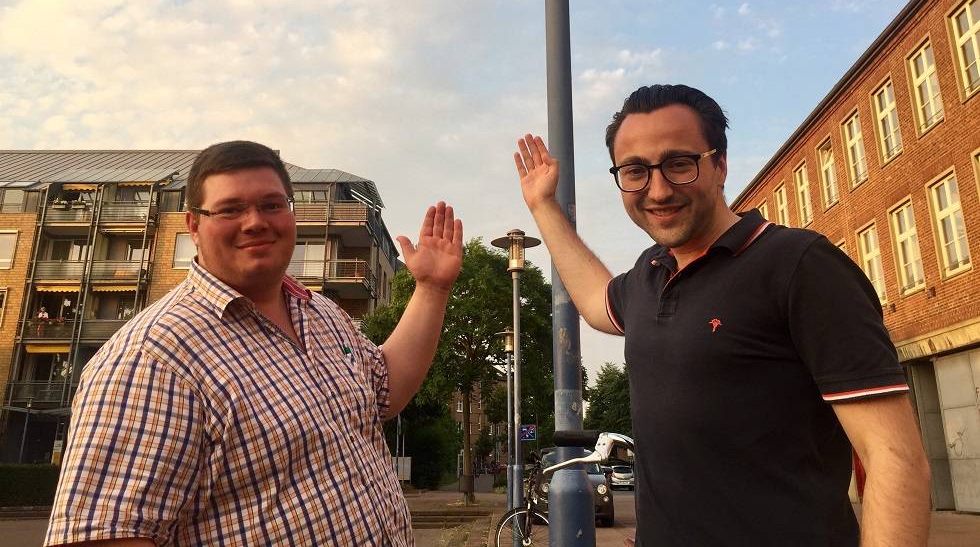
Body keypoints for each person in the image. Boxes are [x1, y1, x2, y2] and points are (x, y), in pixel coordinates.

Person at [514, 85, 931, 547]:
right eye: (635, 170)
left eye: (678, 163)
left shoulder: (799, 266)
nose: (657, 189)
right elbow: (595, 302)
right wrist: (543, 206)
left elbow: (895, 458)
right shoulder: (648, 276)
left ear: (720, 165)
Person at [46, 140, 463, 547]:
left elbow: (383, 389)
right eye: (231, 209)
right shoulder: (151, 358)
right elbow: (104, 534)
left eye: (271, 204)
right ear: (194, 225)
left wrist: (430, 289)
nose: (255, 221)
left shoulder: (321, 312)